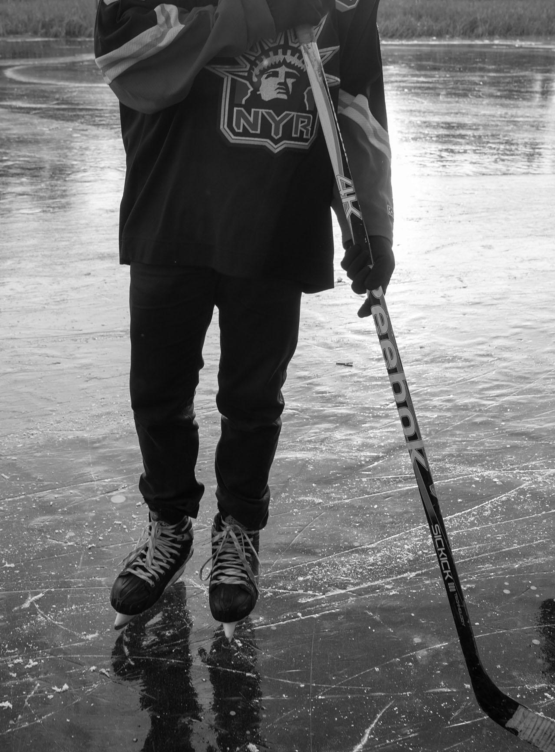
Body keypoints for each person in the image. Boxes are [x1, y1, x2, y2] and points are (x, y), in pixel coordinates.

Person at [94, 0, 395, 638]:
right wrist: (269, 10)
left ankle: (238, 530)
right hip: (171, 214)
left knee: (253, 398)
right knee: (157, 391)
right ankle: (170, 525)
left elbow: (359, 106)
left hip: (276, 224)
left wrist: (371, 223)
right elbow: (129, 55)